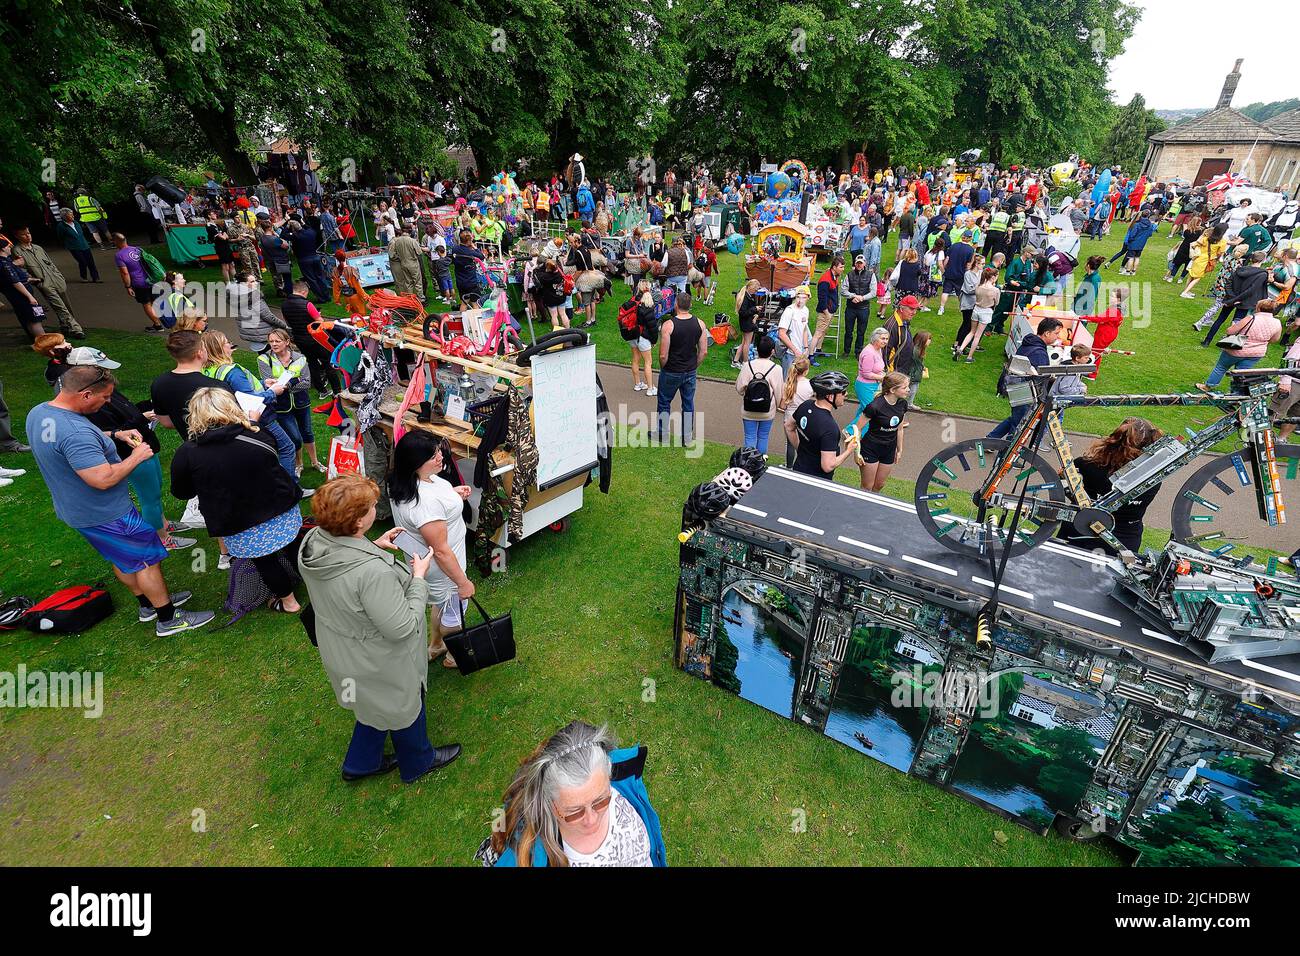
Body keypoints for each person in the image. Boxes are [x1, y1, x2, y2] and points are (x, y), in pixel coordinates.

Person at [26, 364, 214, 636]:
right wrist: (136, 457)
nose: (108, 402)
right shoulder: (76, 433)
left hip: (76, 510)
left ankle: (147, 605)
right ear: (86, 394)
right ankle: (168, 618)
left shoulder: (41, 413)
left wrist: (115, 434)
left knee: (122, 557)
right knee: (147, 559)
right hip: (107, 512)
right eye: (104, 397)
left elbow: (68, 441)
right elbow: (102, 478)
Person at [297, 474, 462, 784]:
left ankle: (361, 763)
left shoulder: (314, 541)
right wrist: (418, 579)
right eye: (372, 506)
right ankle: (418, 762)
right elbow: (402, 627)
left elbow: (343, 572)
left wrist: (372, 546)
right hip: (378, 659)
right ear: (358, 521)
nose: (377, 508)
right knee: (404, 704)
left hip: (344, 652)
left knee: (372, 704)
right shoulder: (372, 574)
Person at [171, 389, 304, 613]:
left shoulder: (187, 453)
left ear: (195, 415)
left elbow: (182, 491)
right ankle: (314, 581)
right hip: (280, 507)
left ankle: (289, 602)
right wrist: (252, 422)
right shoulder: (256, 434)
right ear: (231, 407)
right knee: (293, 547)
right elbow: (272, 454)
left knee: (265, 561)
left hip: (237, 520)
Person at [64, 346, 194, 551]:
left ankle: (163, 524)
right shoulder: (91, 404)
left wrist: (145, 408)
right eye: (100, 370)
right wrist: (142, 418)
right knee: (149, 497)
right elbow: (110, 432)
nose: (107, 374)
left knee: (155, 491)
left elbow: (125, 411)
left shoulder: (105, 390)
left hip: (144, 446)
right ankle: (162, 539)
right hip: (130, 453)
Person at [486, 720, 665, 867]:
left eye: (601, 801)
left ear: (609, 776)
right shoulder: (527, 857)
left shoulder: (626, 782)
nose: (591, 820)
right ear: (548, 802)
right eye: (574, 812)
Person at [387, 432, 475, 667]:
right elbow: (442, 550)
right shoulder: (425, 505)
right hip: (445, 567)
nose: (440, 456)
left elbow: (430, 510)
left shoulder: (411, 482)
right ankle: (453, 655)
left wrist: (453, 496)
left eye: (438, 450)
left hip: (429, 564)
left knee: (442, 603)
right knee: (455, 609)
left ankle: (436, 645)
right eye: (433, 455)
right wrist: (462, 582)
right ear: (415, 463)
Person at [1056, 418, 1165, 555]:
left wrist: (1063, 478)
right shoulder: (1153, 481)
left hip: (1077, 532)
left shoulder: (1085, 465)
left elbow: (1073, 494)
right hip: (1122, 544)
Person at [199, 330, 298, 478]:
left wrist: (262, 383)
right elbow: (250, 398)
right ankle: (290, 491)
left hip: (232, 418)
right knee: (287, 447)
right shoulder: (232, 371)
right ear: (219, 347)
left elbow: (237, 390)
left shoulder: (206, 370)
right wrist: (273, 392)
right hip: (259, 416)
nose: (230, 344)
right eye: (226, 342)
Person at [988, 317, 1066, 440]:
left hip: (1016, 388)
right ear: (1047, 333)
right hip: (1025, 392)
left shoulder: (1030, 342)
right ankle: (1006, 455)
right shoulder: (1039, 352)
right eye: (1056, 333)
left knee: (1017, 418)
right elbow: (1039, 377)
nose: (1058, 337)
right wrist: (1052, 378)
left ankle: (991, 439)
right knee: (1019, 426)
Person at [258, 329, 322, 475]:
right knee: (294, 437)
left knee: (307, 432)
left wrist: (286, 385)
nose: (273, 344)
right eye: (271, 341)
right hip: (281, 406)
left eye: (277, 341)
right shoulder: (264, 359)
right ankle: (299, 464)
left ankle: (315, 462)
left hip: (301, 402)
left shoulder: (300, 358)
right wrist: (296, 380)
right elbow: (271, 385)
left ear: (287, 342)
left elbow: (307, 383)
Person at [1196, 299, 1283, 392]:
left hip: (1237, 348)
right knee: (1241, 373)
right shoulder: (1277, 322)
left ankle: (1208, 386)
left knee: (1221, 367)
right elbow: (1275, 339)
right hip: (1256, 353)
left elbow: (1230, 331)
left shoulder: (1251, 318)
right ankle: (1237, 394)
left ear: (1258, 307)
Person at [12, 226, 84, 338]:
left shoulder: (38, 248)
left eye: (29, 233)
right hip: (44, 282)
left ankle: (65, 326)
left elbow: (50, 263)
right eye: (23, 234)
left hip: (56, 279)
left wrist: (59, 276)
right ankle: (76, 329)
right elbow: (21, 270)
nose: (27, 236)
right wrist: (37, 281)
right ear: (17, 236)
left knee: (66, 305)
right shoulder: (17, 250)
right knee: (60, 306)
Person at [656, 290, 707, 446]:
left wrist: (664, 367)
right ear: (690, 305)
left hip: (671, 370)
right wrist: (694, 365)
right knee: (688, 403)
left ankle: (662, 434)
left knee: (664, 402)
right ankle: (687, 437)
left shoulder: (669, 325)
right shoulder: (700, 323)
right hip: (689, 371)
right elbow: (703, 351)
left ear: (675, 304)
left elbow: (663, 355)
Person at [791, 370, 857, 480]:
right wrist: (849, 450)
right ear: (830, 396)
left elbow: (789, 426)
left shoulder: (805, 405)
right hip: (817, 481)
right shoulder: (830, 427)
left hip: (798, 468)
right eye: (843, 392)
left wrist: (802, 450)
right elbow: (828, 466)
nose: (846, 394)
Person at [282, 280, 341, 396]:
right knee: (328, 362)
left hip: (299, 339)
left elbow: (288, 322)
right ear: (304, 291)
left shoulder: (284, 305)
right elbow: (320, 321)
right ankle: (337, 390)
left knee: (312, 363)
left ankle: (321, 391)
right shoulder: (307, 304)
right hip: (315, 339)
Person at [1199, 250, 1269, 347]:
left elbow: (1228, 284)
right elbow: (1251, 290)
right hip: (1244, 301)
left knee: (1220, 319)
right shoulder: (1262, 274)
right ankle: (1225, 345)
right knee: (1236, 323)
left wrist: (1232, 298)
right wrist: (1236, 299)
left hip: (1233, 299)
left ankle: (1207, 341)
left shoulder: (1240, 269)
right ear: (1263, 260)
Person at [857, 371, 910, 492]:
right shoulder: (875, 406)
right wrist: (856, 451)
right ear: (892, 390)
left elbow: (900, 429)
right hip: (870, 449)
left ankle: (871, 508)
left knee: (879, 485)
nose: (908, 390)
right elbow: (857, 428)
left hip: (889, 449)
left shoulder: (902, 404)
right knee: (867, 487)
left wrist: (899, 450)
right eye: (905, 387)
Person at [735, 335, 784, 454]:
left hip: (749, 409)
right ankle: (760, 461)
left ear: (757, 349)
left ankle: (748, 463)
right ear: (772, 351)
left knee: (750, 437)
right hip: (767, 410)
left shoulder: (748, 365)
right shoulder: (776, 368)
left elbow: (739, 388)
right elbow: (779, 392)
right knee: (763, 437)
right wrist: (776, 405)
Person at [111, 233, 163, 332]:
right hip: (151, 279)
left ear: (116, 241)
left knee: (146, 303)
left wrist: (128, 286)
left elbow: (125, 273)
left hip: (139, 283)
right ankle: (167, 321)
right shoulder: (137, 249)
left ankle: (158, 325)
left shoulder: (119, 255)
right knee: (154, 301)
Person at [229, 271, 289, 353]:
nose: (256, 283)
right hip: (263, 334)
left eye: (255, 280)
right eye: (252, 281)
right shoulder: (254, 298)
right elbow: (269, 317)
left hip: (253, 334)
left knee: (264, 360)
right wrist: (284, 326)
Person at [0, 236, 48, 339]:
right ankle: (43, 341)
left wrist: (32, 279)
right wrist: (30, 297)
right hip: (21, 296)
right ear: (2, 249)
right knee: (33, 318)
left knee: (31, 317)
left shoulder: (6, 261)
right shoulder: (4, 264)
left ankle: (39, 340)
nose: (10, 248)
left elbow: (18, 278)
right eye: (8, 246)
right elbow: (15, 282)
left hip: (21, 294)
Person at [847, 327, 888, 434]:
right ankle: (850, 431)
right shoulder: (869, 353)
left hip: (872, 386)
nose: (885, 341)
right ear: (875, 339)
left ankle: (857, 431)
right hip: (865, 386)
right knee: (870, 411)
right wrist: (882, 378)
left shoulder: (878, 349)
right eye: (882, 338)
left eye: (886, 339)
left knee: (863, 409)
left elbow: (876, 367)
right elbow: (866, 373)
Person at [957, 266, 999, 362]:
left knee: (971, 332)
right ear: (993, 277)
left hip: (976, 309)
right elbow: (997, 302)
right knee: (977, 335)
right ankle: (969, 357)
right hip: (986, 311)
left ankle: (960, 349)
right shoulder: (995, 290)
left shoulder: (978, 287)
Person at [624, 279, 658, 392]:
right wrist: (654, 341)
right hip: (643, 337)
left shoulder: (632, 301)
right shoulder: (647, 305)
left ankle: (638, 384)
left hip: (632, 334)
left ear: (638, 288)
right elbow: (653, 327)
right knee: (648, 362)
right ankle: (650, 388)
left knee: (635, 359)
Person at [1181, 224, 1227, 299]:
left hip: (1197, 257)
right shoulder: (1222, 242)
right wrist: (1217, 259)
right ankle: (1185, 292)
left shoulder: (1206, 237)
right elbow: (1220, 253)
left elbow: (1196, 244)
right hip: (1206, 260)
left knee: (1191, 274)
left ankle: (1187, 290)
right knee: (1198, 277)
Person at [952, 253, 985, 359]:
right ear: (976, 264)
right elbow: (968, 290)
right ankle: (959, 346)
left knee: (968, 325)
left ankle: (958, 344)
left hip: (976, 303)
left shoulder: (981, 273)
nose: (983, 266)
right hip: (967, 303)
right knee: (967, 325)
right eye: (982, 264)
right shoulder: (968, 274)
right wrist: (979, 287)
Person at [811, 256, 844, 359]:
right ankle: (810, 356)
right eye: (841, 267)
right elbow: (822, 299)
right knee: (818, 333)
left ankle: (819, 350)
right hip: (825, 312)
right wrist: (827, 313)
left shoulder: (834, 275)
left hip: (830, 310)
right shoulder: (825, 280)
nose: (843, 269)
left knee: (823, 331)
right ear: (834, 267)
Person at [388, 223, 425, 302]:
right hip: (413, 263)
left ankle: (410, 299)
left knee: (408, 283)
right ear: (410, 230)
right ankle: (421, 299)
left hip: (403, 263)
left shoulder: (397, 241)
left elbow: (394, 253)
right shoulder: (412, 241)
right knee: (418, 282)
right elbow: (419, 252)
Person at [449, 228, 486, 305]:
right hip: (471, 282)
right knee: (475, 303)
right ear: (469, 241)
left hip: (460, 281)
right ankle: (476, 316)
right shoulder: (470, 252)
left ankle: (463, 316)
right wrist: (474, 247)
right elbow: (482, 256)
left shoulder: (455, 249)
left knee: (464, 303)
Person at [883, 294, 918, 372]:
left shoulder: (904, 321)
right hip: (895, 374)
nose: (914, 312)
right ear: (901, 309)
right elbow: (884, 352)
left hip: (903, 370)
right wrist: (889, 374)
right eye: (912, 309)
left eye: (916, 309)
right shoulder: (891, 326)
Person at [733, 278, 760, 367]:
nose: (756, 291)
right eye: (756, 290)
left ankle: (735, 361)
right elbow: (743, 313)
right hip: (747, 323)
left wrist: (755, 312)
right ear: (751, 288)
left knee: (744, 342)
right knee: (747, 344)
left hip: (745, 322)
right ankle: (745, 362)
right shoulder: (745, 298)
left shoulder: (746, 295)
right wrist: (755, 309)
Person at [902, 329, 931, 406]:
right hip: (912, 375)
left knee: (913, 390)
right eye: (929, 339)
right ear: (922, 339)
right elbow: (911, 362)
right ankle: (907, 404)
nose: (930, 341)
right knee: (911, 390)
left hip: (915, 374)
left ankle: (908, 403)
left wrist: (922, 366)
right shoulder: (915, 351)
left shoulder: (919, 349)